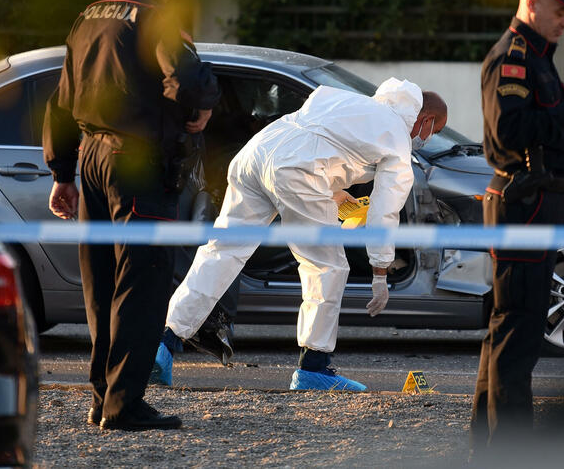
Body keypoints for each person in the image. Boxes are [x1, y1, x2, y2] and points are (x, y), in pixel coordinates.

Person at [153, 78, 447, 391]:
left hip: (256, 154)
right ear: (425, 120)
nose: (427, 138)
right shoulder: (398, 141)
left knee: (222, 251)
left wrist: (332, 191)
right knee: (327, 266)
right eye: (434, 130)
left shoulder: (348, 100)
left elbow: (316, 140)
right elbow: (385, 212)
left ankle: (161, 346)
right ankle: (313, 369)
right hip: (296, 171)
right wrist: (379, 272)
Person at [42, 0, 220, 431]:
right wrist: (202, 103)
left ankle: (102, 400)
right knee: (141, 286)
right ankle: (124, 406)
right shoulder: (155, 17)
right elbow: (186, 81)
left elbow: (61, 99)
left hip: (92, 161)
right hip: (138, 166)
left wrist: (61, 173)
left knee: (101, 286)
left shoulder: (88, 17)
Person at [471, 0, 564, 451]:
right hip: (523, 202)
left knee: (508, 330)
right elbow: (507, 134)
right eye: (561, 10)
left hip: (535, 202)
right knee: (518, 334)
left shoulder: (538, 55)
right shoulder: (513, 56)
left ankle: (487, 450)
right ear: (532, 2)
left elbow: (539, 117)